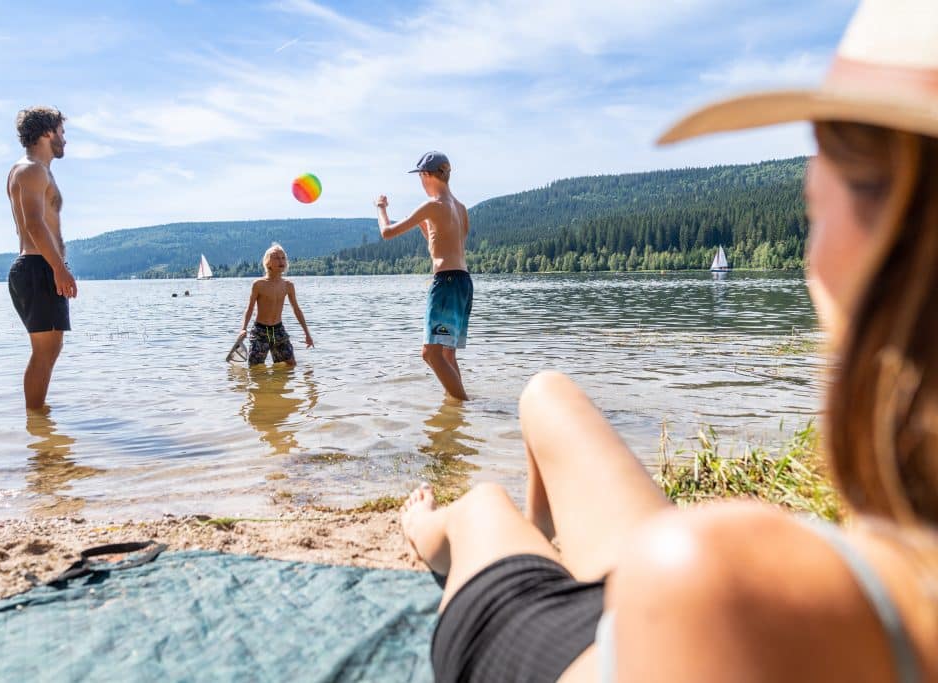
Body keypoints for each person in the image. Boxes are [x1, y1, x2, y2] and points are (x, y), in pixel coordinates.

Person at [401, 1, 938, 680]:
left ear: (884, 231)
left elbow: (699, 593)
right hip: (656, 620)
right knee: (545, 393)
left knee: (480, 508)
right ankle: (535, 533)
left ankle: (429, 530)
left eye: (813, 198)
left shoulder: (713, 580)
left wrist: (388, 214)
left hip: (594, 641)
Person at [376, 151, 472, 400]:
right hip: (463, 282)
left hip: (446, 283)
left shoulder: (432, 205)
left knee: (430, 353)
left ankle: (464, 404)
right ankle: (457, 410)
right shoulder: (461, 208)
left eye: (420, 176)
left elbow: (387, 232)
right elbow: (444, 246)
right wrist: (424, 228)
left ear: (426, 174)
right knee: (447, 354)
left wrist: (381, 208)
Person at [6, 106, 77, 413]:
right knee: (44, 352)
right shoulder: (31, 169)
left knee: (49, 350)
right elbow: (34, 224)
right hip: (38, 267)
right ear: (48, 132)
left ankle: (38, 425)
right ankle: (35, 419)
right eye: (62, 131)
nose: (65, 139)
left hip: (40, 266)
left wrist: (58, 267)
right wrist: (58, 269)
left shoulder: (35, 170)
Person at [239, 243, 313, 367]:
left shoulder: (288, 285)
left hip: (278, 330)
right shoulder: (258, 284)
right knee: (255, 368)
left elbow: (296, 309)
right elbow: (250, 308)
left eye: (283, 258)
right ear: (268, 262)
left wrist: (307, 334)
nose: (281, 261)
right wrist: (243, 328)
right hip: (260, 331)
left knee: (290, 365)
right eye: (277, 258)